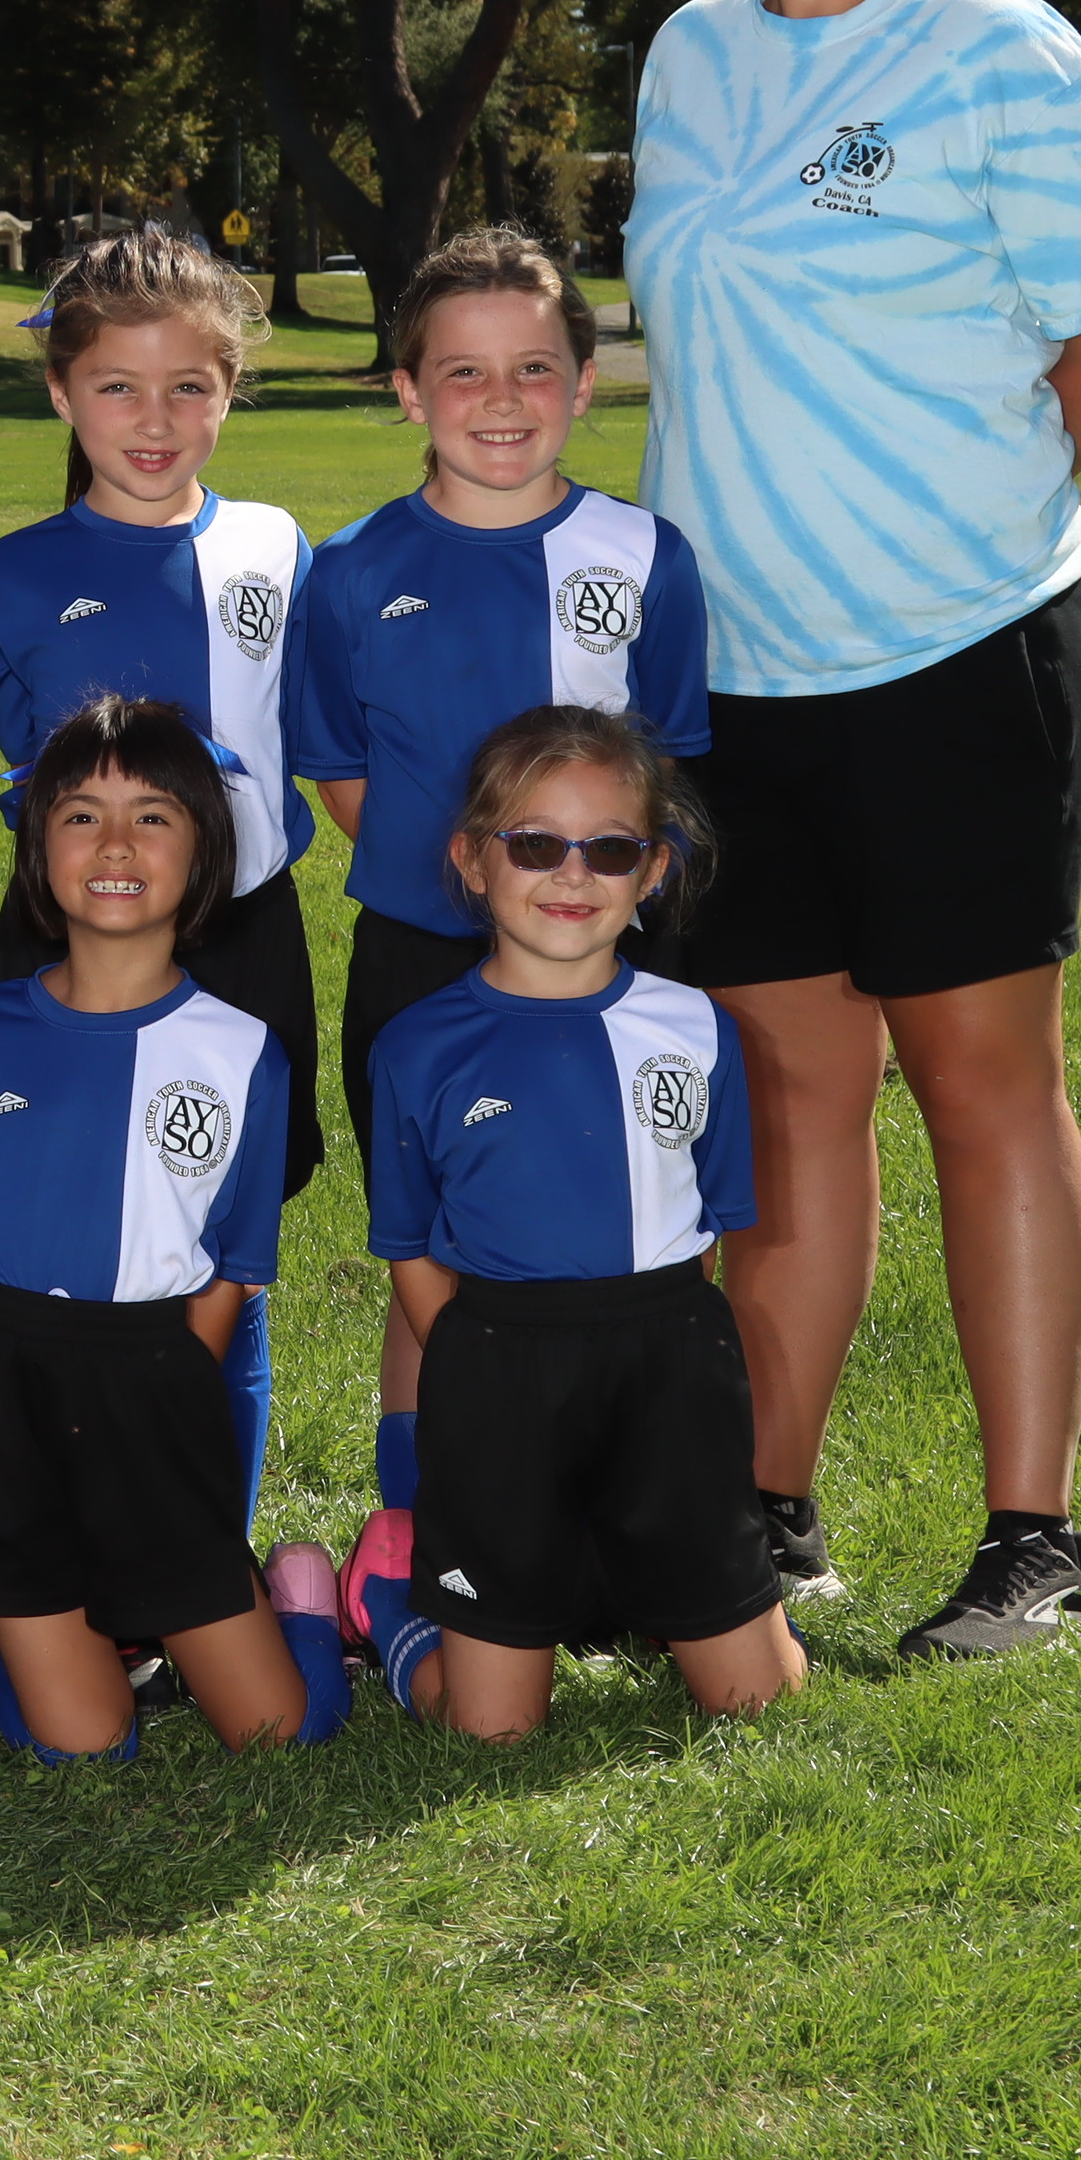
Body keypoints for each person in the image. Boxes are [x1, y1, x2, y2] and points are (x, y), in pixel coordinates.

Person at [624, 0, 1081, 1660]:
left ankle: (1038, 1546)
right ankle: (770, 1517)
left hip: (961, 650)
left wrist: (972, 513)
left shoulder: (1003, 53)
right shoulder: (689, 56)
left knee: (982, 1086)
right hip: (738, 679)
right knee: (789, 1103)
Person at [285, 230, 707, 1641]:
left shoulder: (643, 557)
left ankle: (618, 1512)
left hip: (609, 966)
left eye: (535, 367)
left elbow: (667, 766)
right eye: (463, 372)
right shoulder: (351, 570)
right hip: (425, 961)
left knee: (625, 1229)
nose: (502, 398)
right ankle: (425, 1532)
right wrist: (472, 894)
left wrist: (574, 912)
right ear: (408, 389)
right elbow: (346, 774)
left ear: (586, 382)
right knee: (437, 1251)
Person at [355, 707, 803, 1740]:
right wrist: (472, 1365)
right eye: (534, 845)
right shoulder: (418, 1047)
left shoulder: (697, 1029)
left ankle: (623, 1571)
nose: (572, 874)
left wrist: (653, 1357)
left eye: (609, 850)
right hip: (499, 1367)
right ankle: (392, 1606)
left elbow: (705, 1231)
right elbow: (410, 1246)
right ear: (472, 859)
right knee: (492, 1730)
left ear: (653, 871)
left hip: (670, 1362)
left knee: (761, 1701)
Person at [0, 228, 324, 1521]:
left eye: (190, 386)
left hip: (240, 941)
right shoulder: (17, 573)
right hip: (71, 946)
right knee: (67, 1222)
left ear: (230, 391)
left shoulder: (276, 548)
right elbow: (28, 753)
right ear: (61, 393)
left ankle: (208, 1551)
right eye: (118, 386)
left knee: (227, 1250)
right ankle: (60, 1522)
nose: (155, 419)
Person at [0, 697, 350, 1761]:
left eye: (153, 816)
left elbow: (233, 1266)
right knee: (80, 1741)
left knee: (275, 1731)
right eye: (81, 815)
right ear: (38, 847)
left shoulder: (243, 1053)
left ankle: (308, 1602)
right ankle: (12, 1621)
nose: (115, 844)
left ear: (203, 852)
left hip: (153, 1383)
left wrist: (159, 1403)